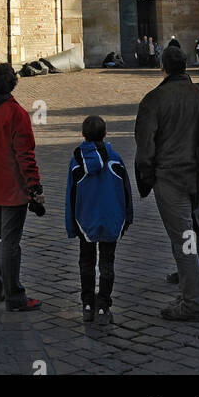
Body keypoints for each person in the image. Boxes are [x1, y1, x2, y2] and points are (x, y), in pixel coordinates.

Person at [134, 46, 199, 322]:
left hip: (171, 180)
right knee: (195, 232)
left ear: (163, 67)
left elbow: (144, 149)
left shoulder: (154, 100)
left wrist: (146, 179)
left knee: (184, 240)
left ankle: (192, 302)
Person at [0, 61, 44, 312]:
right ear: (12, 84)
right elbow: (25, 154)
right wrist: (34, 186)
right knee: (10, 242)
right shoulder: (16, 114)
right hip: (12, 187)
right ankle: (14, 296)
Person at [65, 113, 133, 325]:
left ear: (82, 135)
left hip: (85, 220)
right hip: (111, 220)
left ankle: (87, 304)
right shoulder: (115, 159)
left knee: (86, 261)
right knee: (107, 263)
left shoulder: (76, 162)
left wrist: (71, 225)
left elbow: (70, 197)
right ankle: (103, 305)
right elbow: (126, 192)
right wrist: (127, 218)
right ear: (105, 134)